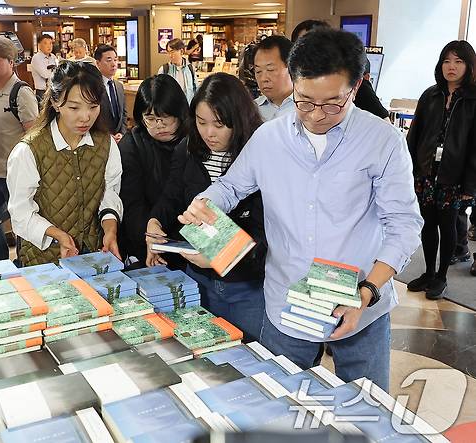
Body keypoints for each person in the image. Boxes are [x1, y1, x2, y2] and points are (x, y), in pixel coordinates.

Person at [178, 29, 423, 391]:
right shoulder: (269, 138)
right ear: (292, 82)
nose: (317, 115)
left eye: (333, 103)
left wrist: (368, 291)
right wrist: (203, 210)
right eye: (305, 100)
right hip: (286, 303)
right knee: (278, 402)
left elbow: (403, 225)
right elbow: (230, 187)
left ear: (355, 87)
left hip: (358, 302)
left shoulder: (382, 141)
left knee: (366, 411)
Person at [146, 73, 267, 340]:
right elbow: (173, 197)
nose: (209, 132)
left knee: (247, 361)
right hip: (198, 280)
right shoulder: (189, 149)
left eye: (220, 124)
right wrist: (155, 222)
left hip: (246, 287)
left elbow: (266, 231)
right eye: (201, 122)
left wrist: (219, 255)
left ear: (240, 119)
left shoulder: (260, 154)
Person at [7, 61, 123, 265]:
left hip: (94, 254)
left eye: (93, 106)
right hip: (44, 260)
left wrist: (110, 230)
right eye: (74, 107)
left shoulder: (105, 143)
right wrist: (58, 235)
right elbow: (20, 213)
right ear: (54, 102)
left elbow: (110, 192)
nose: (85, 117)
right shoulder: (29, 150)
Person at [406, 40, 476, 296]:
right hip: (425, 173)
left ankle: (443, 275)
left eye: (458, 61)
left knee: (447, 226)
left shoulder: (472, 100)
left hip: (453, 176)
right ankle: (428, 272)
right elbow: (414, 135)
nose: (452, 67)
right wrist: (410, 170)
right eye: (447, 61)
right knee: (426, 224)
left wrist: (470, 185)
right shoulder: (431, 95)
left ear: (469, 66)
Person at [118, 75, 190, 266]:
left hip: (193, 243)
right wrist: (153, 240)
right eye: (150, 118)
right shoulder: (132, 144)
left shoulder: (195, 141)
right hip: (147, 244)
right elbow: (132, 204)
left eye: (165, 117)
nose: (159, 125)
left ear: (180, 112)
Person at [0, 37, 39, 262]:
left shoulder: (21, 92)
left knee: (22, 220)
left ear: (11, 62)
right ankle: (0, 264)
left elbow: (33, 136)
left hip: (13, 174)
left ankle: (24, 262)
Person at [254, 35, 295, 121]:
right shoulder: (252, 110)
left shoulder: (309, 108)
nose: (263, 79)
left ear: (291, 67)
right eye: (258, 71)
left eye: (270, 70)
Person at [93, 44, 127, 143]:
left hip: (119, 140)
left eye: (115, 60)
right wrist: (105, 135)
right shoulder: (93, 87)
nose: (113, 64)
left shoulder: (119, 86)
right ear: (98, 63)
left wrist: (122, 133)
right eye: (108, 60)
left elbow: (124, 114)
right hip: (100, 140)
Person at [157, 38, 198, 103]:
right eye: (168, 52)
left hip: (188, 108)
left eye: (172, 52)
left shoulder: (190, 68)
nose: (170, 55)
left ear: (181, 51)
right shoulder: (164, 70)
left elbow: (196, 90)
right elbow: (159, 93)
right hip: (171, 110)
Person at [31, 34, 59, 105]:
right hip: (42, 92)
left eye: (50, 43)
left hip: (53, 90)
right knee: (43, 114)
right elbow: (45, 74)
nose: (49, 46)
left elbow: (59, 71)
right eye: (45, 43)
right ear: (39, 45)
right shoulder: (36, 58)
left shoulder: (53, 57)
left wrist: (54, 70)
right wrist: (54, 70)